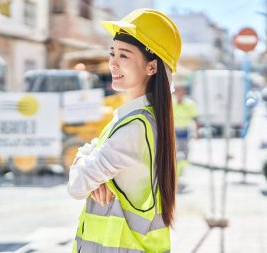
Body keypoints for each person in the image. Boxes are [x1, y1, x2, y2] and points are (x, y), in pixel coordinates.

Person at [67, 9, 181, 252]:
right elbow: (89, 166)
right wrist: (93, 172)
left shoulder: (135, 128)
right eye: (112, 53)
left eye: (124, 55)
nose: (112, 63)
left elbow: (76, 187)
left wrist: (86, 166)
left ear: (151, 67)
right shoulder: (135, 118)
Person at [172, 83, 198, 176]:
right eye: (177, 91)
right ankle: (176, 170)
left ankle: (181, 169)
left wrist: (197, 133)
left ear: (183, 92)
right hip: (174, 131)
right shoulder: (171, 102)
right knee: (175, 152)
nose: (179, 93)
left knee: (185, 152)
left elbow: (195, 118)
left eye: (181, 90)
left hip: (186, 131)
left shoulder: (189, 104)